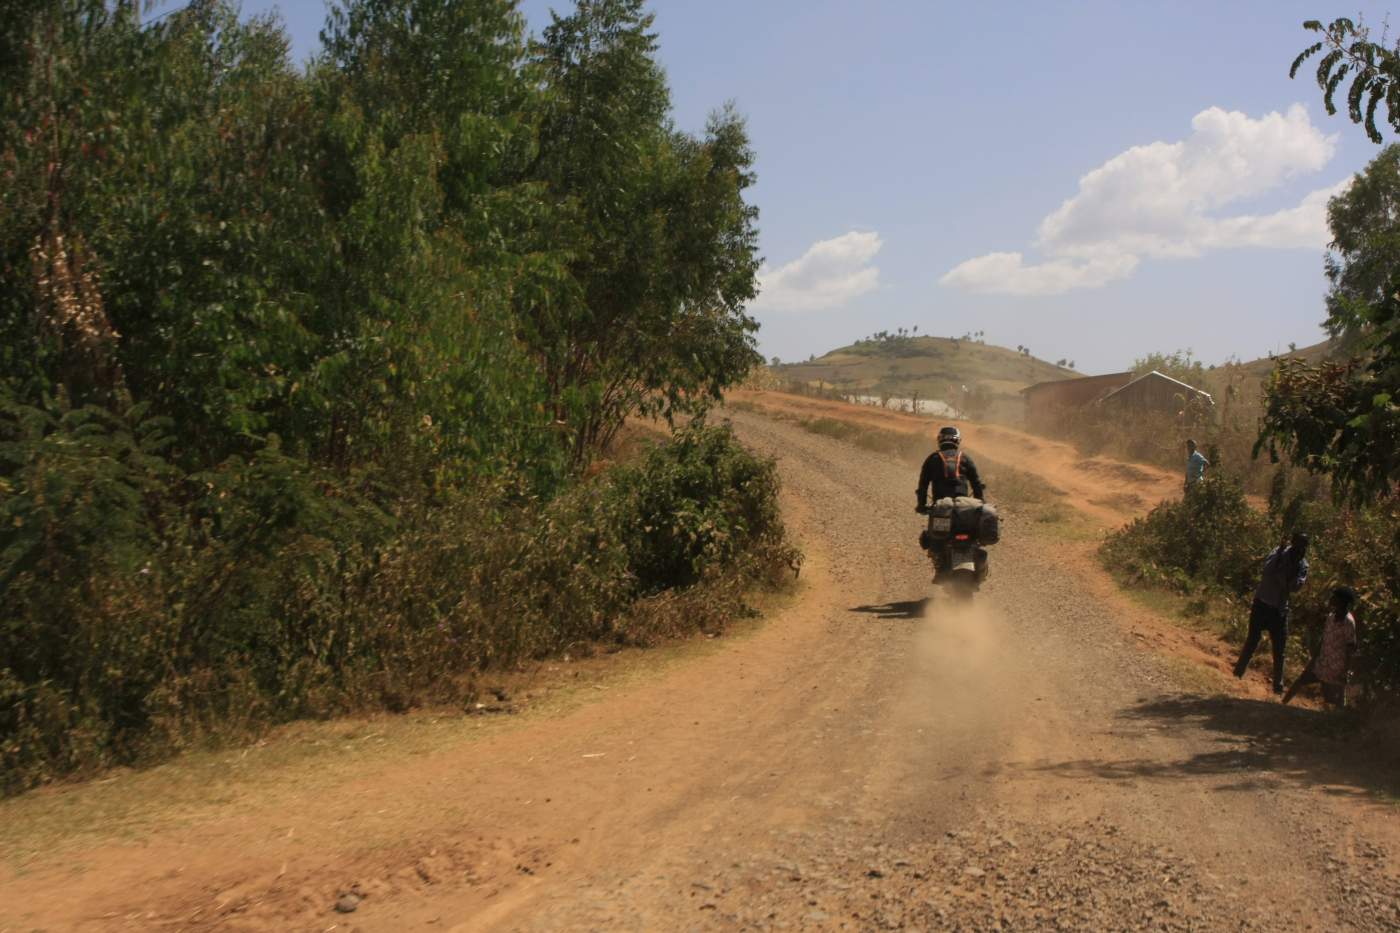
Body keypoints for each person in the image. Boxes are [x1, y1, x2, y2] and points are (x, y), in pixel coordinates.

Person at [1232, 532, 1310, 693]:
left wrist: (1285, 574)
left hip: (1279, 610)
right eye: (1299, 544)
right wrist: (1281, 556)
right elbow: (1267, 571)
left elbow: (1295, 587)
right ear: (1293, 543)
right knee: (1252, 640)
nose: (1301, 548)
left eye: (1304, 546)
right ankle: (1238, 673)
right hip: (1262, 603)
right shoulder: (1279, 552)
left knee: (1279, 650)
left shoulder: (1302, 564)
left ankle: (1277, 687)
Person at [1283, 587, 1359, 708]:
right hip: (1322, 661)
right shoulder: (1331, 616)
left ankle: (1340, 719)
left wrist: (1345, 671)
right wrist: (1314, 659)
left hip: (1336, 666)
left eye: (1334, 597)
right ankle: (1282, 705)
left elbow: (1351, 648)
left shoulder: (1348, 622)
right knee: (1301, 680)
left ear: (1341, 601)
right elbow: (1324, 639)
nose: (1331, 599)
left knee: (1335, 698)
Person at [916, 425, 985, 509]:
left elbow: (923, 484)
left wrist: (921, 504)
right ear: (957, 440)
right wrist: (980, 501)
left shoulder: (932, 458)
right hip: (962, 505)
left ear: (940, 439)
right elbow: (976, 483)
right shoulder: (965, 458)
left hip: (939, 504)